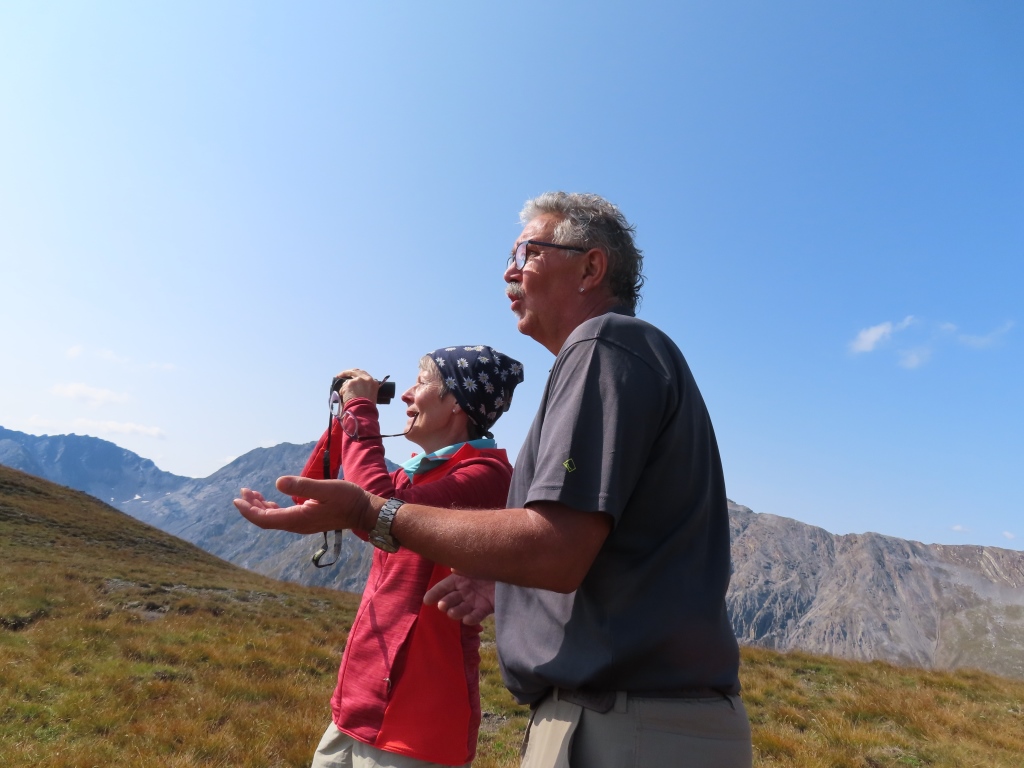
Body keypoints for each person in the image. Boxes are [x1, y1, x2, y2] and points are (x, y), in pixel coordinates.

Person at [236, 192, 753, 767]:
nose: (509, 271)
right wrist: (508, 587)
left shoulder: (604, 344)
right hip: (629, 722)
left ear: (590, 268)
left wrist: (368, 511)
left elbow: (554, 548)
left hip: (626, 727)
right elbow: (593, 550)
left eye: (527, 253)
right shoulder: (611, 358)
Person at [265, 347, 524, 768]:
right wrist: (344, 417)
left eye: (421, 382)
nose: (405, 394)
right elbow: (309, 494)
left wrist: (361, 410)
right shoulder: (411, 474)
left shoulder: (486, 474)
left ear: (456, 402)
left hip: (419, 720)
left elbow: (379, 511)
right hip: (357, 704)